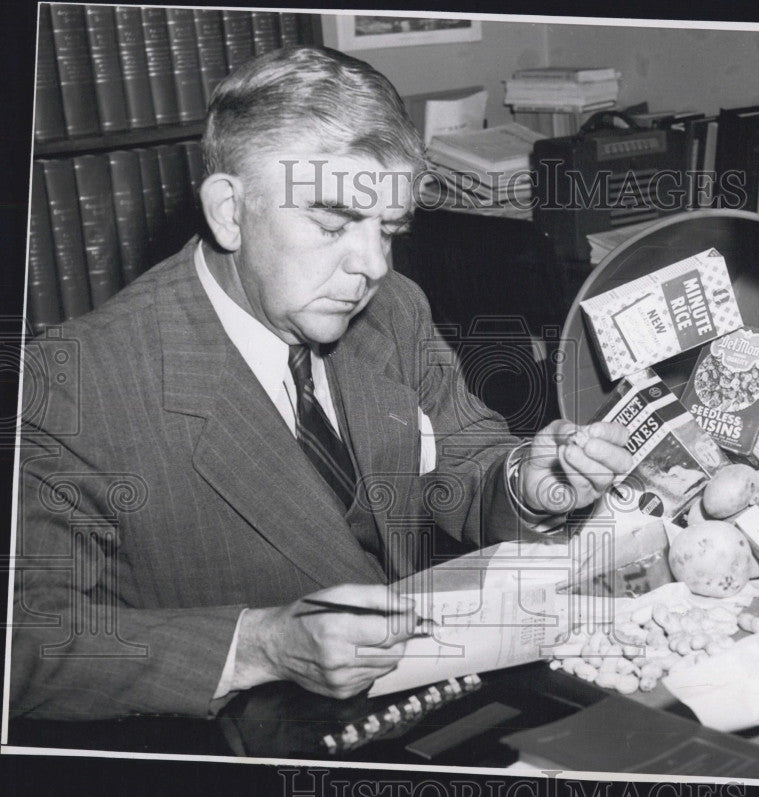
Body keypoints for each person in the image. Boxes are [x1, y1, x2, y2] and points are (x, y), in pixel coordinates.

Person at [11, 46, 631, 721]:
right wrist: (258, 644)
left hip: (427, 706)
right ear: (228, 211)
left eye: (389, 228)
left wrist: (523, 483)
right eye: (333, 224)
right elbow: (27, 638)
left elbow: (461, 462)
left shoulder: (392, 308)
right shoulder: (73, 381)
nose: (370, 265)